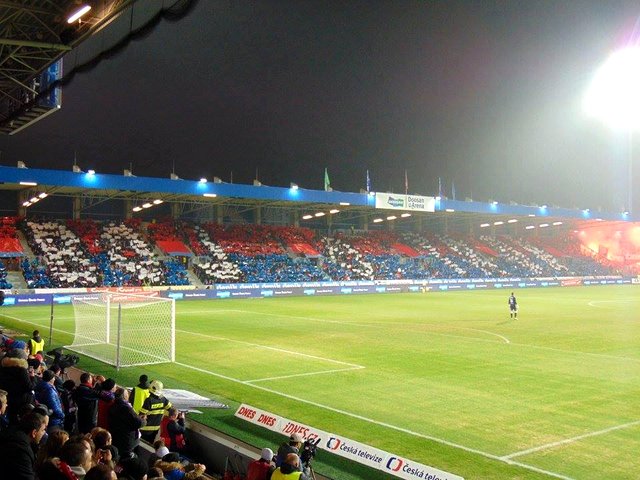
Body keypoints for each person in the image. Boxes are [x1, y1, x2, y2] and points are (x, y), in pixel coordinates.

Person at [0, 411, 48, 480]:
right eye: (43, 430)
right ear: (34, 433)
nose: (44, 433)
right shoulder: (22, 450)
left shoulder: (13, 433)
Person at [0, 341, 37, 424]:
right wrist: (33, 377)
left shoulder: (3, 366)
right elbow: (30, 387)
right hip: (19, 401)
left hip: (6, 398)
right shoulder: (21, 370)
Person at [108, 387, 145, 460]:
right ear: (124, 397)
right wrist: (143, 420)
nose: (128, 396)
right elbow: (138, 423)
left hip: (118, 438)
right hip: (127, 441)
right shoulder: (126, 408)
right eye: (127, 395)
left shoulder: (114, 405)